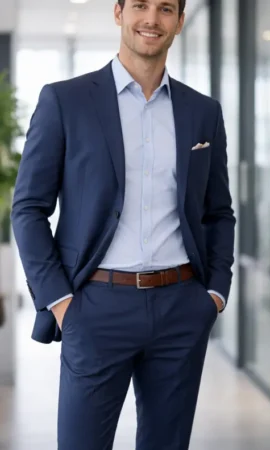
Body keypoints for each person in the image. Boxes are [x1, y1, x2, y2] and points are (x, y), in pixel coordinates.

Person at [10, 0, 235, 448]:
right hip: (94, 308)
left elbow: (218, 211)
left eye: (166, 8)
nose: (152, 19)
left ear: (179, 21)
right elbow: (29, 208)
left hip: (181, 308)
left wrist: (214, 293)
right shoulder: (65, 100)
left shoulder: (202, 111)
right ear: (118, 13)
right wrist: (60, 301)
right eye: (140, 6)